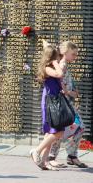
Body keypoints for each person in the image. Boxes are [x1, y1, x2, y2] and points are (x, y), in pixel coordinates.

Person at [48, 41, 88, 168]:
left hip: (68, 105)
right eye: (73, 54)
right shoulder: (62, 66)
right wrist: (70, 93)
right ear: (65, 53)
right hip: (63, 105)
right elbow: (62, 88)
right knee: (71, 128)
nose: (75, 57)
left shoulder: (65, 65)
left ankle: (71, 156)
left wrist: (73, 92)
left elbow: (69, 88)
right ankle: (53, 156)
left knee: (77, 128)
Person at [30, 40, 65, 170]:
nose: (58, 58)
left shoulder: (50, 66)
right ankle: (37, 151)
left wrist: (48, 47)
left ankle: (44, 162)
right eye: (56, 56)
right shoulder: (47, 68)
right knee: (58, 132)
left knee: (51, 133)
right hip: (50, 102)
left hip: (54, 100)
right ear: (51, 57)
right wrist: (55, 62)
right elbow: (59, 73)